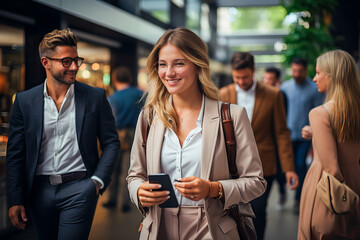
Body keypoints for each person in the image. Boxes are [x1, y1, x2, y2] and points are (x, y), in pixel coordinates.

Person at [127, 27, 266, 240]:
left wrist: (213, 189)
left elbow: (256, 183)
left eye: (179, 63)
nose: (169, 72)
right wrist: (138, 191)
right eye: (162, 64)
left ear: (198, 65)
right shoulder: (149, 117)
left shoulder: (232, 116)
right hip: (159, 227)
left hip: (211, 227)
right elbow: (134, 175)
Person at [6, 28, 120, 240]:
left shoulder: (94, 97)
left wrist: (96, 182)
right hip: (39, 192)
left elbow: (112, 143)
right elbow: (16, 154)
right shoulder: (25, 101)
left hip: (80, 189)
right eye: (66, 61)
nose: (74, 67)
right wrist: (14, 199)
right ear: (45, 63)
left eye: (77, 60)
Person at [219, 52, 298, 240]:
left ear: (254, 71)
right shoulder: (223, 94)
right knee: (231, 213)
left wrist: (289, 169)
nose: (241, 81)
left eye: (245, 77)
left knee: (258, 211)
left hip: (263, 165)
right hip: (230, 165)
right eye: (236, 77)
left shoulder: (273, 94)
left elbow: (281, 132)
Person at [298, 49, 360, 239]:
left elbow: (332, 169)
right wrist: (316, 133)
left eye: (318, 73)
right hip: (355, 181)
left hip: (329, 188)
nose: (314, 78)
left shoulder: (319, 113)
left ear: (332, 76)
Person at [280, 58, 324, 213]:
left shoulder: (314, 88)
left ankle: (299, 199)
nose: (296, 74)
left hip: (306, 136)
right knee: (283, 166)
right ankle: (282, 191)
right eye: (294, 70)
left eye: (300, 71)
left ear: (305, 70)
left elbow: (319, 111)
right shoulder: (285, 87)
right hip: (287, 134)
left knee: (300, 164)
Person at [103, 66, 143, 211]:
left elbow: (109, 120)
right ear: (130, 78)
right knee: (129, 169)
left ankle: (111, 199)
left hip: (117, 134)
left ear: (114, 79)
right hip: (136, 133)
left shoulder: (113, 98)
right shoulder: (140, 94)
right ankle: (126, 202)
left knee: (113, 169)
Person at [263, 67, 288, 210]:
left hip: (276, 141)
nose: (266, 81)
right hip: (263, 141)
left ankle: (282, 192)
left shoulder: (280, 95)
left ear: (277, 81)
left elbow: (283, 121)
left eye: (270, 79)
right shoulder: (259, 95)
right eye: (265, 78)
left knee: (278, 171)